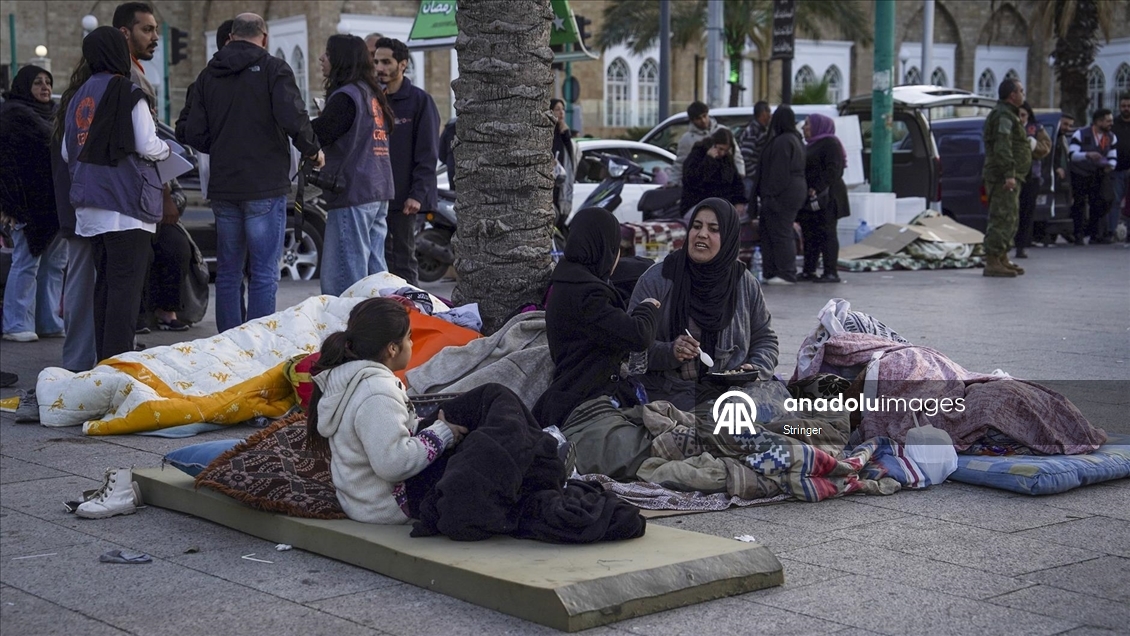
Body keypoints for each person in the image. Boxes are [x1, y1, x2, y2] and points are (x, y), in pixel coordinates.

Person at [183, 13, 323, 333]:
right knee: (263, 272)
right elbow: (294, 116)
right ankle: (258, 343)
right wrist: (313, 150)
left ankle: (229, 343)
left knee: (230, 272)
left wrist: (221, 145)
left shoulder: (208, 75)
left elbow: (193, 131)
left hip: (224, 185)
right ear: (264, 37)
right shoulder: (274, 69)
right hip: (264, 184)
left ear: (231, 36)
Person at [60, 26, 170, 361]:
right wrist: (167, 150)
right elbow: (146, 143)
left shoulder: (78, 96)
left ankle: (103, 365)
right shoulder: (126, 91)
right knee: (125, 292)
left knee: (105, 288)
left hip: (89, 206)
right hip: (125, 206)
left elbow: (68, 153)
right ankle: (118, 371)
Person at [307, 297, 467, 524]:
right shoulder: (376, 392)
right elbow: (395, 464)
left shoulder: (352, 378)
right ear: (392, 348)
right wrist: (442, 434)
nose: (412, 344)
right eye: (409, 338)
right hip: (386, 506)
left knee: (473, 410)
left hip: (362, 501)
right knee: (484, 411)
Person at [628, 198, 779, 411]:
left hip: (734, 394)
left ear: (728, 238)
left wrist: (755, 368)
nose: (702, 234)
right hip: (669, 395)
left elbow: (765, 338)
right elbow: (631, 346)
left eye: (714, 229)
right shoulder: (658, 279)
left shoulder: (744, 283)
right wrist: (670, 352)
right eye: (696, 226)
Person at [532, 207, 661, 431]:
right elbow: (639, 335)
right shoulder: (588, 295)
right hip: (586, 405)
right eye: (617, 248)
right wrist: (647, 308)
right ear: (605, 247)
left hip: (574, 394)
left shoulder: (567, 280)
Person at [312, 34, 396, 296]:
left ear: (341, 59)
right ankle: (380, 327)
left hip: (353, 191)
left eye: (327, 53)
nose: (322, 59)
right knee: (375, 274)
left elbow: (322, 133)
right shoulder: (372, 94)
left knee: (346, 277)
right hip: (377, 189)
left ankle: (351, 330)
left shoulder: (346, 96)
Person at [1, 65, 66, 343]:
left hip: (55, 202)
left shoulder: (54, 115)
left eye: (48, 82)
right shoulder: (12, 115)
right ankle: (16, 323)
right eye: (37, 82)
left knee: (54, 265)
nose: (45, 87)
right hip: (27, 203)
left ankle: (48, 320)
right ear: (24, 86)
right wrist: (9, 205)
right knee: (27, 263)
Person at [373, 37, 440, 286]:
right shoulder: (374, 100)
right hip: (375, 195)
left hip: (404, 199)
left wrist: (417, 194)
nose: (380, 67)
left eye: (386, 62)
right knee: (379, 262)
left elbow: (427, 153)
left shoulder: (420, 101)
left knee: (403, 259)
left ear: (402, 64)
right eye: (377, 61)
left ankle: (413, 315)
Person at [981, 78, 1029, 277]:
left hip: (1013, 176)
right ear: (1012, 95)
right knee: (1002, 217)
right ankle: (992, 260)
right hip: (1003, 177)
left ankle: (1002, 257)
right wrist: (1009, 174)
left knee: (1010, 217)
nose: (1023, 94)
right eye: (1021, 91)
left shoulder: (1008, 114)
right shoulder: (1003, 116)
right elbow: (1002, 146)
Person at [755, 105, 806, 285]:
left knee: (780, 232)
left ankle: (785, 272)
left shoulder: (783, 141)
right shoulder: (796, 139)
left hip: (781, 195)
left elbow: (778, 173)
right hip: (794, 192)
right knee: (778, 231)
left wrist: (769, 195)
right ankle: (778, 271)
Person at [798, 113, 849, 283]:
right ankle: (809, 270)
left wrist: (816, 187)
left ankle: (830, 271)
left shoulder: (830, 143)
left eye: (808, 124)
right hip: (811, 200)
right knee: (810, 234)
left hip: (828, 198)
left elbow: (834, 170)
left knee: (827, 233)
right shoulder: (810, 145)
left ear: (818, 126)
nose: (804, 127)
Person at [1068, 108, 1118, 245]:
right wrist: (1087, 155)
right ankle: (1078, 234)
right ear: (1098, 121)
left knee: (1102, 201)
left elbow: (1113, 156)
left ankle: (1094, 233)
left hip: (1099, 173)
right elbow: (1072, 155)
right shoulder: (1081, 134)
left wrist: (1111, 165)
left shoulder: (1111, 137)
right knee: (1079, 204)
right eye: (1108, 121)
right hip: (1081, 173)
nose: (1111, 124)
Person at [669, 101, 744, 186]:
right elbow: (681, 162)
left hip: (725, 180)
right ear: (692, 120)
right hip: (702, 183)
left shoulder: (723, 131)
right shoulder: (687, 139)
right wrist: (673, 181)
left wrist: (740, 173)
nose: (703, 121)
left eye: (704, 116)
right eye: (698, 118)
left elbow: (736, 154)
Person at [1013, 102, 1052, 259]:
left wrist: (1034, 146)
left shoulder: (1036, 128)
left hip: (1031, 175)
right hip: (1014, 174)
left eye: (1023, 115)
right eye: (1018, 115)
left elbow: (1046, 147)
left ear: (1028, 115)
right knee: (1012, 211)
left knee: (1027, 211)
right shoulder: (1010, 127)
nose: (1021, 118)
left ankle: (1022, 245)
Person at [681, 128, 747, 214]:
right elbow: (693, 180)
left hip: (722, 204)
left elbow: (736, 182)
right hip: (698, 203)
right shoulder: (698, 154)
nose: (722, 153)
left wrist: (739, 201)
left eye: (725, 150)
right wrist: (709, 161)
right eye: (720, 149)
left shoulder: (727, 160)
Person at [738, 101, 771, 199]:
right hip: (751, 179)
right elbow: (745, 157)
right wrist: (755, 174)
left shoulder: (760, 130)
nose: (770, 115)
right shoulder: (753, 131)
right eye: (769, 112)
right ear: (763, 113)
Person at [550, 98, 578, 218]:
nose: (561, 113)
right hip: (551, 183)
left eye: (563, 109)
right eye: (557, 109)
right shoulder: (549, 133)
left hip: (562, 182)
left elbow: (571, 158)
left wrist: (566, 133)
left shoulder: (564, 133)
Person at [1111, 94, 1130, 240]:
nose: (1126, 109)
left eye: (1129, 106)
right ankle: (1111, 232)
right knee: (1115, 201)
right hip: (1117, 170)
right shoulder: (1114, 125)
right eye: (1124, 106)